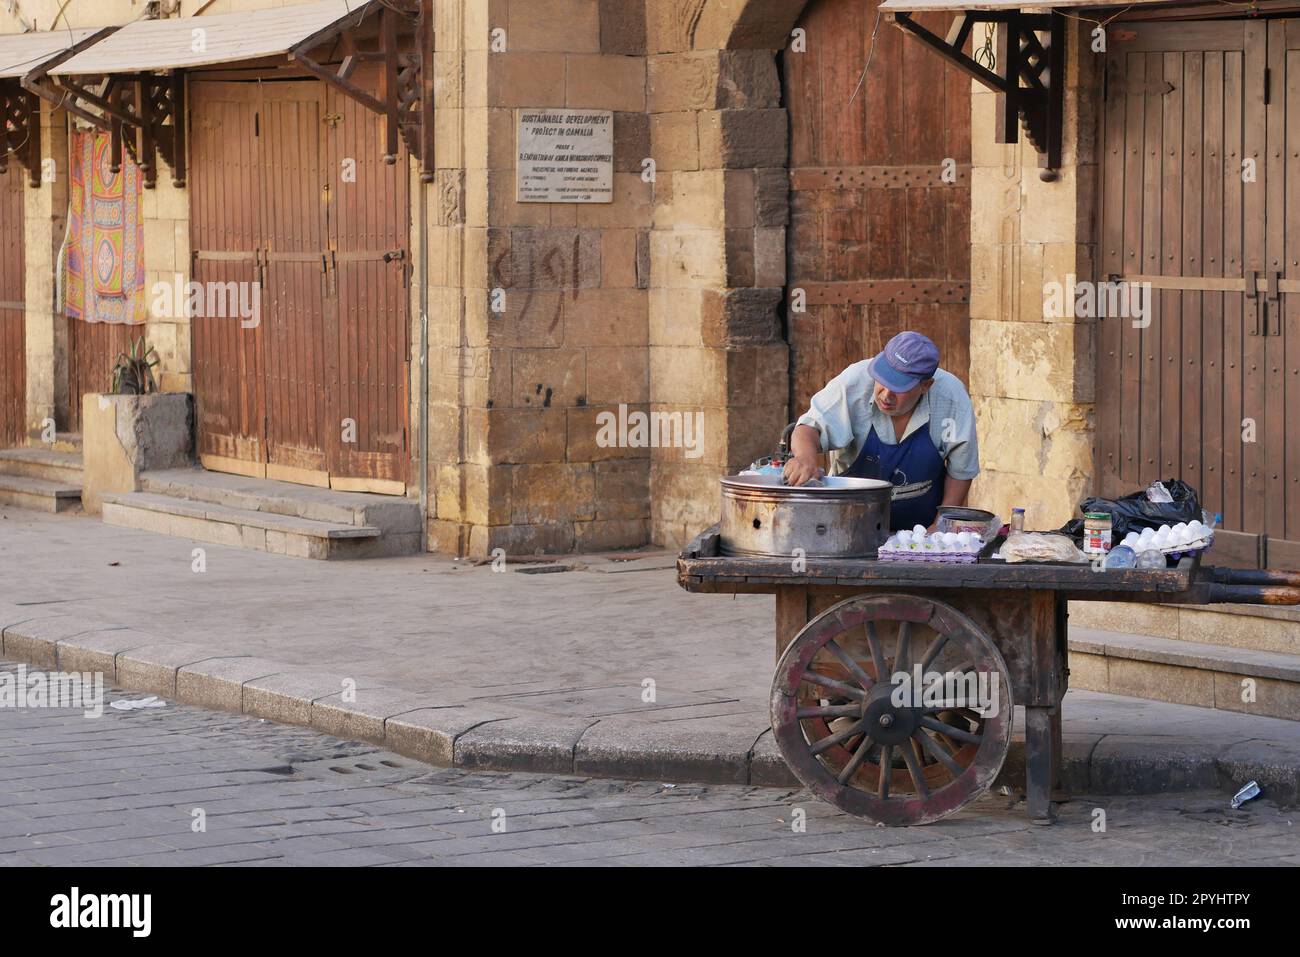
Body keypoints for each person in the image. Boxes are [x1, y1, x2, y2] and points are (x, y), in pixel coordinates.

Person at [782, 331, 979, 531]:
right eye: (882, 380)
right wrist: (805, 459)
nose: (885, 395)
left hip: (919, 530)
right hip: (847, 524)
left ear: (925, 386)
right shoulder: (853, 382)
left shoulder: (952, 398)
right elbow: (807, 429)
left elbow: (961, 471)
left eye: (898, 387)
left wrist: (940, 525)